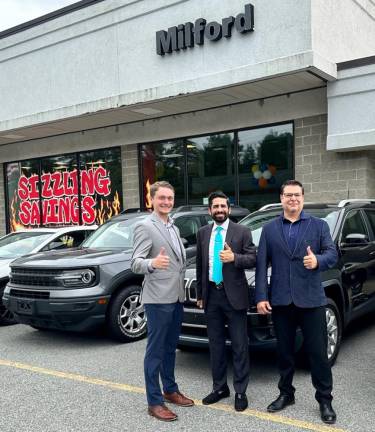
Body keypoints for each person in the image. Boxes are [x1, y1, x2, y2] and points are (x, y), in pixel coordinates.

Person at [255, 180, 338, 424]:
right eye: (288, 195)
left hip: (311, 300)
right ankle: (286, 393)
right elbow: (261, 265)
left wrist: (318, 261)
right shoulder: (269, 229)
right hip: (281, 300)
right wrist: (261, 296)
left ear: (303, 198)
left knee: (317, 353)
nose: (293, 199)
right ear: (281, 198)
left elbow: (332, 254)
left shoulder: (319, 225)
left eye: (297, 195)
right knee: (284, 352)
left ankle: (325, 400)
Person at [131, 181, 194, 422]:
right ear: (152, 200)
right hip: (157, 299)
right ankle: (154, 402)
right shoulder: (145, 227)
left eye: (170, 198)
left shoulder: (173, 227)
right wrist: (152, 264)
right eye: (162, 198)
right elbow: (135, 262)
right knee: (155, 351)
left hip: (176, 296)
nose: (167, 202)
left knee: (170, 348)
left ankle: (170, 389)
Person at [196, 191, 256, 412]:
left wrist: (235, 258)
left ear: (229, 209)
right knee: (216, 346)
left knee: (240, 346)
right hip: (212, 295)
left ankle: (240, 390)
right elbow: (201, 266)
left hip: (235, 297)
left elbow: (253, 258)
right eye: (215, 206)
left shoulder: (242, 231)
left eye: (223, 206)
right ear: (210, 210)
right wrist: (201, 295)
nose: (219, 210)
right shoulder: (203, 233)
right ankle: (220, 387)